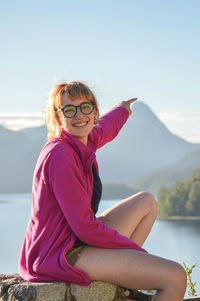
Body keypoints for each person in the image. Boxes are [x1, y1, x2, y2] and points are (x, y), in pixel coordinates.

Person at [18, 81, 187, 301]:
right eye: (69, 110)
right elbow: (85, 228)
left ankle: (124, 283)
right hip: (60, 252)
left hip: (74, 240)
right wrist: (133, 253)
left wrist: (122, 109)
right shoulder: (60, 155)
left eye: (85, 107)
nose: (79, 115)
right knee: (175, 277)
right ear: (58, 118)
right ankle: (129, 277)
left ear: (94, 111)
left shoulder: (82, 141)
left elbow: (105, 128)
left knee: (146, 202)